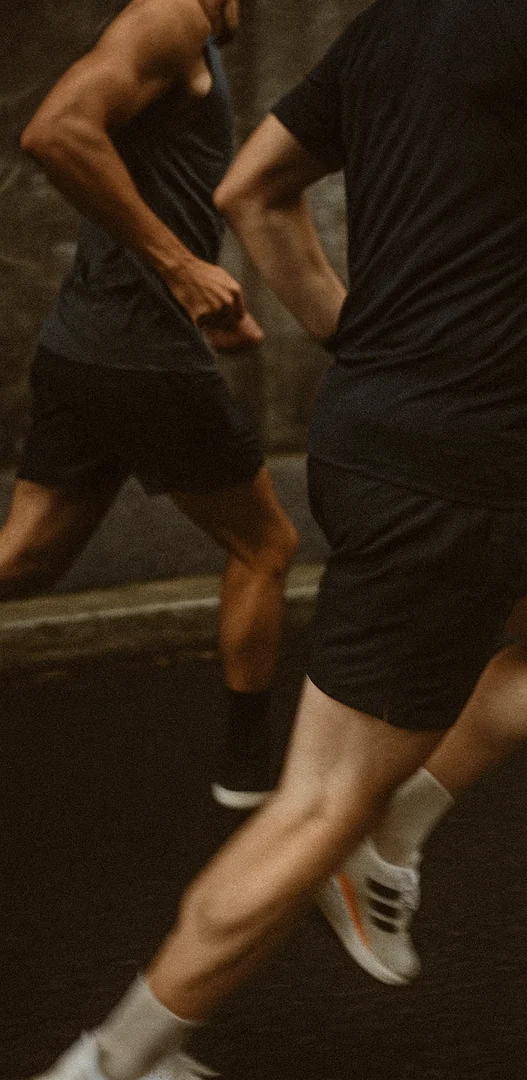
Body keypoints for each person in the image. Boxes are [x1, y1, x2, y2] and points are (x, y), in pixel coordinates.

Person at [30, 0, 527, 1077]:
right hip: (448, 476)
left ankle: (385, 835)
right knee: (312, 804)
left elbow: (251, 192)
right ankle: (117, 1062)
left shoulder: (401, 18)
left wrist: (370, 351)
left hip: (376, 440)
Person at [9, 0, 298, 809]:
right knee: (266, 546)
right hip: (142, 357)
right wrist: (179, 271)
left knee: (25, 559)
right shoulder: (169, 16)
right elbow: (55, 131)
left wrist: (209, 296)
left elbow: (143, 174)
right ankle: (247, 776)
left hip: (85, 343)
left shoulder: (192, 31)